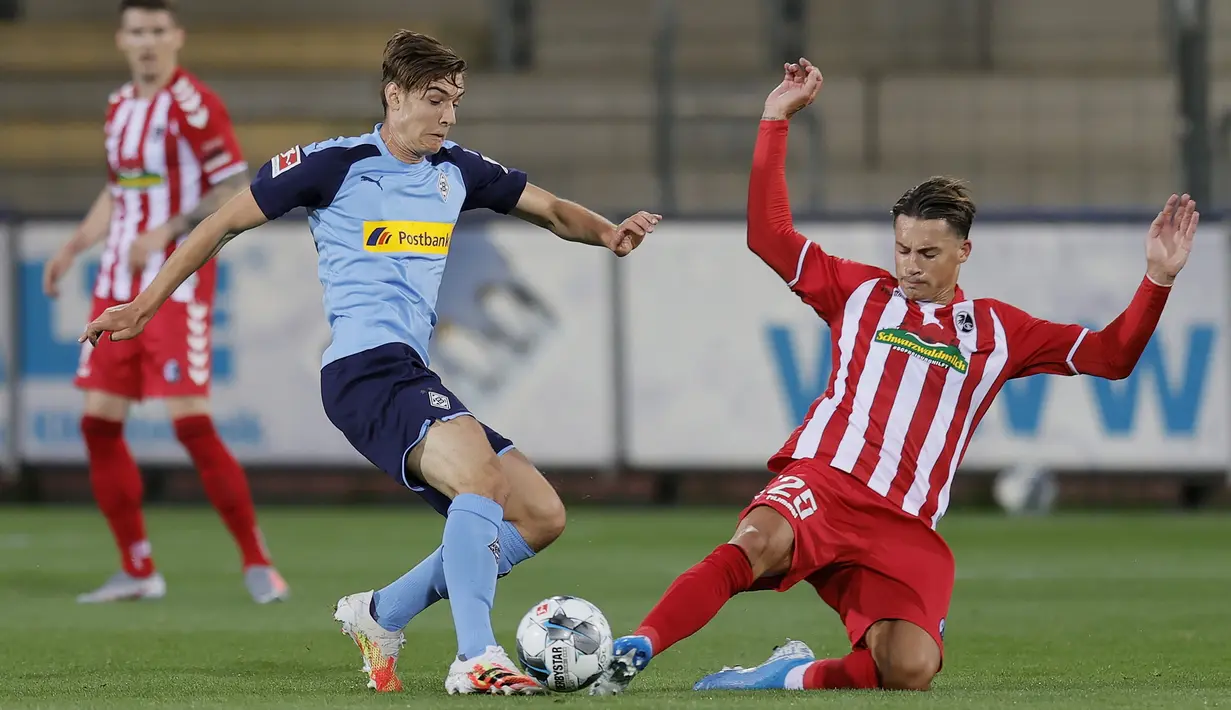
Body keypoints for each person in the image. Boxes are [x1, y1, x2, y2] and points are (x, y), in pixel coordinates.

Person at [589, 57, 1198, 695]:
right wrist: (774, 121)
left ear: (964, 251)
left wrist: (1157, 278)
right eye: (903, 249)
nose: (910, 266)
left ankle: (785, 676)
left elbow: (1112, 355)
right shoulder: (858, 292)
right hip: (827, 479)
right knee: (755, 543)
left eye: (928, 253)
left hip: (904, 524)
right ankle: (638, 646)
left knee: (908, 670)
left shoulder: (997, 330)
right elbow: (769, 236)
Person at [80, 29, 661, 696]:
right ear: (394, 95)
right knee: (479, 480)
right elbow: (220, 222)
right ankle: (476, 656)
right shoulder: (333, 163)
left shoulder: (458, 170)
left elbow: (551, 210)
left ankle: (381, 614)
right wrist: (144, 307)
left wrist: (607, 232)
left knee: (538, 515)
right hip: (363, 368)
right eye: (435, 99)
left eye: (456, 101)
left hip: (408, 370)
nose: (448, 115)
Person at [43, 0, 287, 605]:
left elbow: (234, 186)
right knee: (98, 424)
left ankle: (259, 564)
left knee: (191, 422)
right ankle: (138, 568)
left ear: (176, 37)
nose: (147, 42)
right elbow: (118, 190)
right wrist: (75, 245)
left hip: (174, 285)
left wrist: (170, 226)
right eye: (136, 32)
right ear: (122, 41)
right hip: (112, 285)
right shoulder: (119, 106)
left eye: (157, 31)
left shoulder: (193, 104)